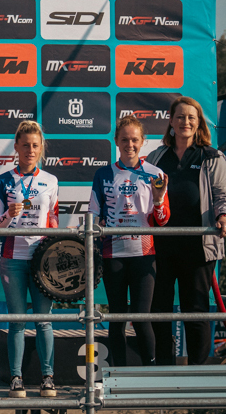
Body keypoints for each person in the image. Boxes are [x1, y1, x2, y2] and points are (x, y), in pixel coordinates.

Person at [146, 96, 226, 365]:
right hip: (161, 247)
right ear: (170, 121)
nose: (185, 122)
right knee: (159, 310)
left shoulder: (211, 156)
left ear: (199, 122)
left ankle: (198, 372)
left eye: (191, 117)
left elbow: (222, 195)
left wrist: (223, 214)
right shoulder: (156, 157)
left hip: (198, 247)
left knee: (196, 310)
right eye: (180, 117)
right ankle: (164, 371)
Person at [89, 115, 170, 367]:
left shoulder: (155, 174)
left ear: (143, 141)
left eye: (135, 140)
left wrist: (157, 199)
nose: (130, 144)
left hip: (144, 255)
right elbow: (92, 214)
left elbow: (164, 219)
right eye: (124, 139)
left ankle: (151, 373)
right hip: (113, 255)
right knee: (117, 318)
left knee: (142, 317)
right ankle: (118, 376)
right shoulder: (103, 174)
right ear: (116, 141)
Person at [0, 121, 58, 398]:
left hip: (42, 260)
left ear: (41, 148)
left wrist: (55, 252)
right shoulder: (2, 180)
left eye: (35, 145)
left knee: (44, 320)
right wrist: (9, 214)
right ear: (15, 147)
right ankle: (16, 379)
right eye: (25, 145)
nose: (30, 150)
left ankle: (47, 377)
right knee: (17, 320)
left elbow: (53, 220)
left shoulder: (51, 180)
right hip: (13, 258)